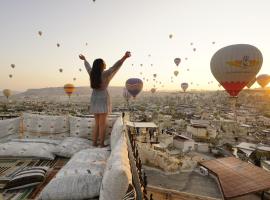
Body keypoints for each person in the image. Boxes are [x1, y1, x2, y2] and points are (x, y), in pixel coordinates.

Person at [79, 51, 131, 147]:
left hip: (94, 97)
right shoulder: (106, 73)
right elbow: (116, 66)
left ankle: (94, 142)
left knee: (97, 123)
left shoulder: (92, 74)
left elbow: (88, 67)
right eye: (104, 63)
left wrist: (85, 59)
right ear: (102, 66)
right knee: (102, 124)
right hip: (103, 98)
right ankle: (101, 144)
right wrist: (124, 57)